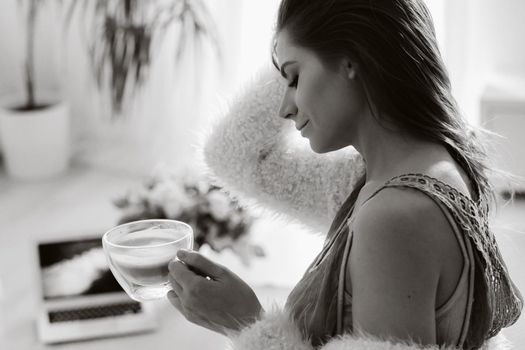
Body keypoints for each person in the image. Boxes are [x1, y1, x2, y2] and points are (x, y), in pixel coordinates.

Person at [167, 0, 523, 349]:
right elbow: (236, 157)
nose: (284, 108)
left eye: (293, 78)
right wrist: (300, 43)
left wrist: (246, 324)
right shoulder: (396, 170)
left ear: (352, 60)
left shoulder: (395, 215)